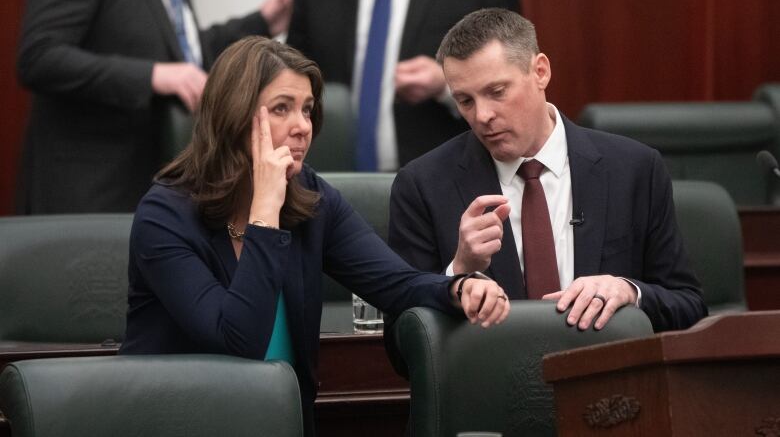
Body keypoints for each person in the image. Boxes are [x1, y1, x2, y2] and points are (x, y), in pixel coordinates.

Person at [118, 36, 510, 437]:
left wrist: (458, 288)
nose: (302, 126)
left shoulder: (309, 197)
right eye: (281, 109)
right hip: (185, 422)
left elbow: (397, 284)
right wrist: (264, 213)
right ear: (233, 115)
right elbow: (238, 343)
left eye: (306, 109)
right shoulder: (164, 216)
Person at [388, 8, 708, 333]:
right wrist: (457, 273)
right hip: (493, 379)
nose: (482, 115)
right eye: (465, 101)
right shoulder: (423, 186)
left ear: (540, 71)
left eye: (496, 92)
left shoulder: (634, 170)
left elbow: (689, 308)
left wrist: (630, 292)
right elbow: (402, 342)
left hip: (607, 377)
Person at [16, 0, 292, 214]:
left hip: (155, 186)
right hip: (87, 194)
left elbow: (182, 57)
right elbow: (39, 57)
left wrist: (260, 22)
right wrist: (152, 76)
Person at [285, 0, 518, 171]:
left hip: (440, 177)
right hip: (328, 178)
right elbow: (292, 73)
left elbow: (511, 65)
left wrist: (445, 84)